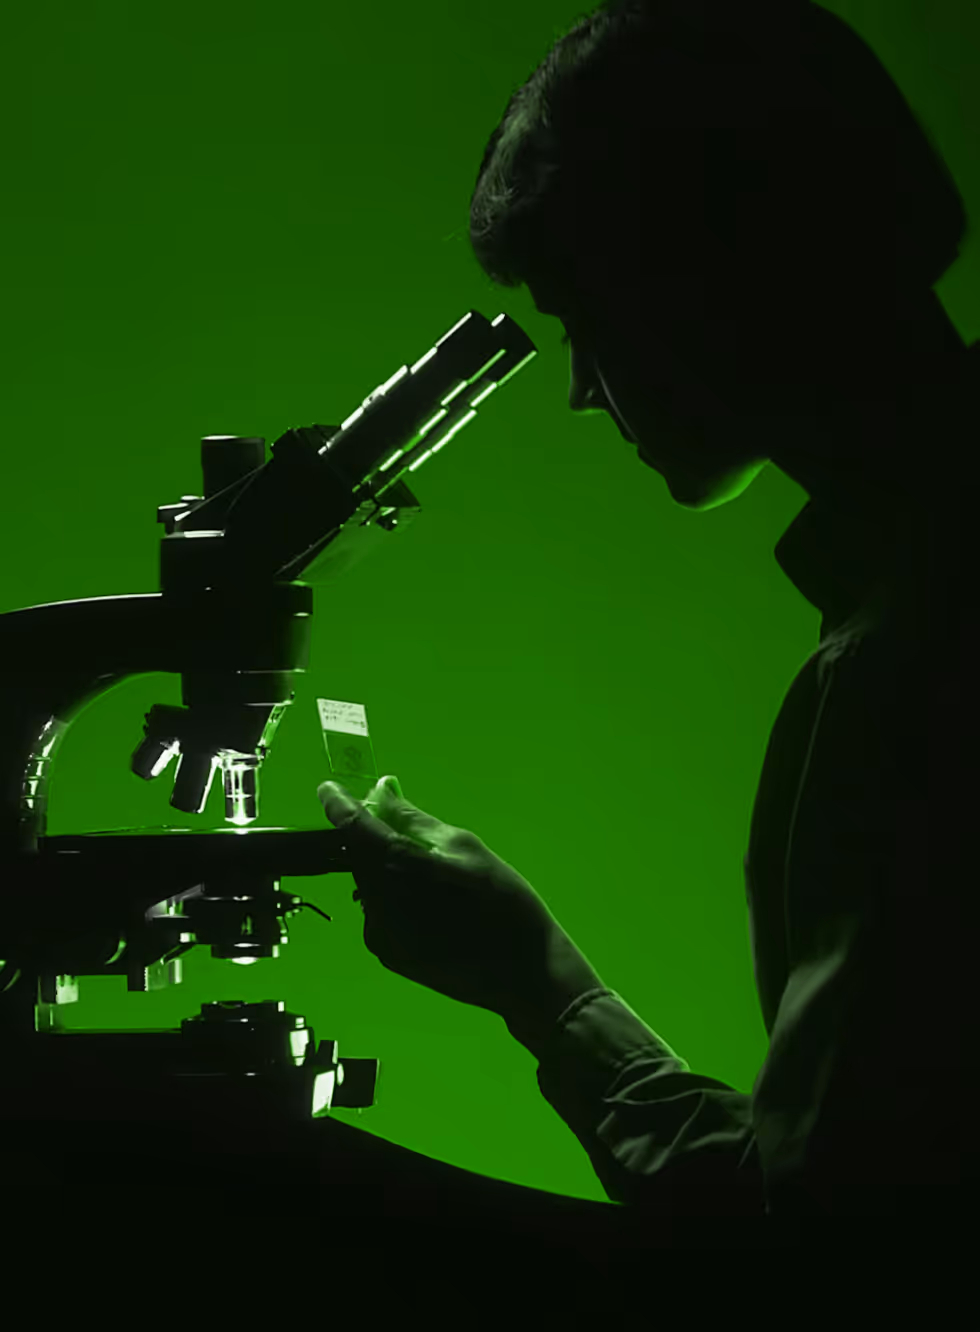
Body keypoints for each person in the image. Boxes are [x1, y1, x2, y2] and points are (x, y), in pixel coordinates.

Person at [324, 0, 980, 1245]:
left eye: (583, 318)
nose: (580, 391)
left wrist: (538, 984)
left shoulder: (915, 667)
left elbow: (822, 1251)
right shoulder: (909, 592)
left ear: (705, 274)